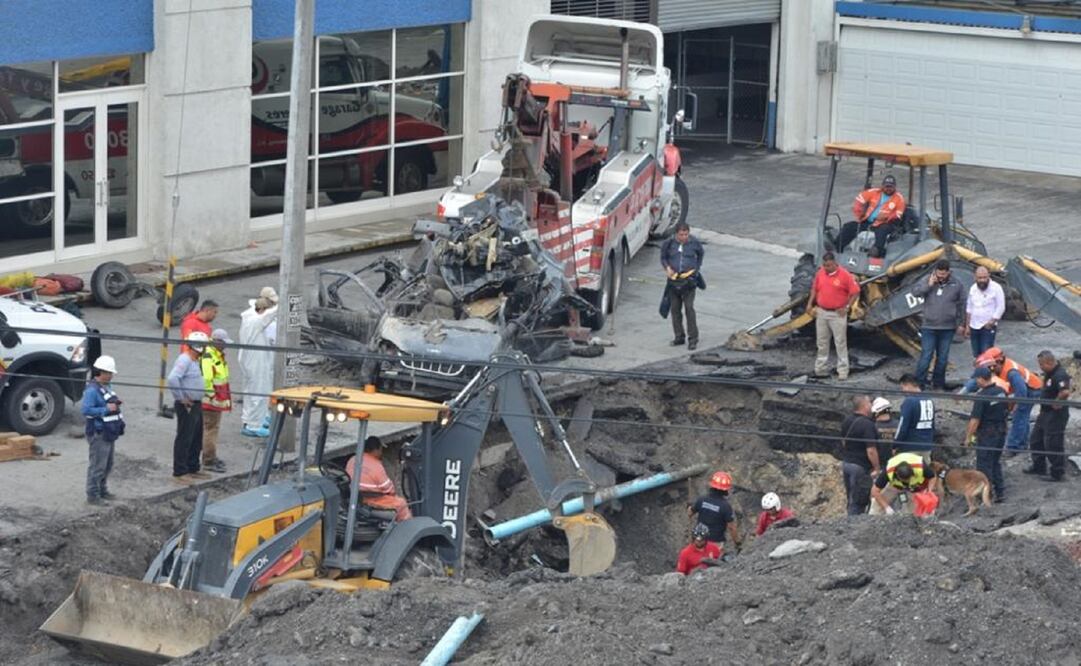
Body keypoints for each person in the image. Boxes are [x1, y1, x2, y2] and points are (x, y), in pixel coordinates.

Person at [963, 347, 1042, 457]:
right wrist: (964, 391)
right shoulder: (1000, 367)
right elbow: (979, 378)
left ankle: (1013, 447)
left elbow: (1022, 391)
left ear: (997, 362)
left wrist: (1015, 405)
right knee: (1022, 417)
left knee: (1020, 416)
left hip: (1031, 390)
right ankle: (1022, 443)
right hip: (1026, 388)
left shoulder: (1011, 372)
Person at [912, 260, 965, 390]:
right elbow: (915, 292)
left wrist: (961, 323)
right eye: (938, 273)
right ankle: (920, 383)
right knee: (926, 355)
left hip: (947, 328)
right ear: (935, 271)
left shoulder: (956, 284)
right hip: (929, 327)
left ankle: (938, 383)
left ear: (948, 272)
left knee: (943, 358)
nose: (941, 276)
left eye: (943, 274)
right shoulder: (927, 279)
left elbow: (962, 304)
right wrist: (929, 285)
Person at [807, 251, 860, 379]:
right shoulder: (820, 273)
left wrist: (847, 307)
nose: (826, 268)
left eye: (829, 265)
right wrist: (809, 304)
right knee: (822, 342)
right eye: (825, 265)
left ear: (835, 264)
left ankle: (842, 371)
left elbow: (855, 292)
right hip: (822, 312)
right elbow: (814, 289)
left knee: (840, 342)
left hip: (837, 314)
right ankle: (820, 369)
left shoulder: (845, 275)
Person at [81, 355, 125, 505]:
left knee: (108, 463)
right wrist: (106, 409)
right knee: (98, 465)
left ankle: (102, 489)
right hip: (98, 432)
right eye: (109, 373)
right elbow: (86, 410)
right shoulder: (92, 391)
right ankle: (93, 495)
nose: (111, 375)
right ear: (101, 372)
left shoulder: (106, 386)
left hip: (108, 432)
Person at [1023, 350, 1073, 482]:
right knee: (1036, 439)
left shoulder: (1060, 374)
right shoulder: (1050, 373)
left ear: (1049, 362)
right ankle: (1039, 466)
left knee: (1053, 442)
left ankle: (1057, 472)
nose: (1040, 367)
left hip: (1055, 414)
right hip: (1045, 412)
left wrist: (1056, 401)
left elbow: (1065, 391)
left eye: (1041, 364)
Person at [168, 332, 210, 484]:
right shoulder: (184, 360)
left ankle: (193, 467)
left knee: (196, 437)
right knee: (185, 437)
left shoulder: (194, 360)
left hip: (195, 404)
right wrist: (181, 398)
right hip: (188, 405)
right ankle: (180, 471)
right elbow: (173, 379)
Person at [964, 366, 1008, 502]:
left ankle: (986, 495)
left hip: (987, 435)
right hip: (1001, 432)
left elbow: (974, 420)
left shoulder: (982, 396)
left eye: (976, 379)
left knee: (984, 465)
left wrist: (968, 437)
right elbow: (1010, 407)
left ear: (981, 379)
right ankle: (1000, 492)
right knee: (995, 462)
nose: (976, 382)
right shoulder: (1001, 392)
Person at [660, 221, 704, 350]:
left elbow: (701, 254)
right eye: (681, 235)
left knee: (689, 308)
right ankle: (679, 336)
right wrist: (667, 268)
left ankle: (693, 338)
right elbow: (663, 257)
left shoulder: (694, 242)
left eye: (686, 234)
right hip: (674, 281)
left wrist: (696, 268)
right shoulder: (668, 243)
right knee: (675, 309)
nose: (684, 237)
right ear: (676, 234)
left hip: (689, 280)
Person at [346, 436, 413, 520]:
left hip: (355, 497)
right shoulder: (376, 466)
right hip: (371, 500)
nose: (381, 452)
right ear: (376, 450)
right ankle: (404, 527)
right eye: (381, 449)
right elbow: (389, 489)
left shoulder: (352, 460)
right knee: (401, 503)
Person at [838, 174, 906, 257]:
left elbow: (898, 214)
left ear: (895, 187)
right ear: (882, 186)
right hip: (868, 222)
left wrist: (887, 217)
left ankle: (877, 252)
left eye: (891, 187)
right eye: (886, 186)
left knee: (882, 232)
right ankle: (838, 246)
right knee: (849, 226)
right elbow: (860, 199)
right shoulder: (874, 192)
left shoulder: (899, 198)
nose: (888, 189)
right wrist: (860, 213)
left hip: (885, 224)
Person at [239, 295, 278, 437]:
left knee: (252, 392)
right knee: (258, 393)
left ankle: (253, 419)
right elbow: (270, 315)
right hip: (255, 361)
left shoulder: (249, 317)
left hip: (249, 359)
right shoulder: (256, 321)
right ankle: (253, 425)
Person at [839, 395, 882, 515]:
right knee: (859, 501)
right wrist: (877, 468)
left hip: (847, 464)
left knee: (851, 498)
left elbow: (843, 441)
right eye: (869, 403)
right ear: (864, 406)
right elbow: (871, 450)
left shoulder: (847, 420)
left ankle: (850, 522)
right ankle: (854, 527)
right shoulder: (867, 425)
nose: (871, 405)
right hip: (860, 467)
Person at [200, 328, 233, 474]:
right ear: (217, 342)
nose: (226, 346)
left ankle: (210, 457)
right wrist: (212, 396)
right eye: (224, 343)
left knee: (212, 429)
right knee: (211, 430)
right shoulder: (209, 356)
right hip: (211, 401)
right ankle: (208, 460)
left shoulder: (216, 354)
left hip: (215, 400)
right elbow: (206, 380)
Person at [688, 470, 742, 550]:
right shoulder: (725, 506)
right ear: (725, 490)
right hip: (715, 543)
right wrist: (737, 543)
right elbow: (731, 527)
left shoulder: (702, 500)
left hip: (699, 540)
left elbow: (689, 513)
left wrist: (689, 507)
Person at [964, 267, 1005, 358]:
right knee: (976, 354)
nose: (982, 280)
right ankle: (979, 371)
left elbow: (1001, 306)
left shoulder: (996, 288)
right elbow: (969, 308)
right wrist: (967, 326)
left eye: (984, 277)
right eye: (980, 278)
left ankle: (987, 371)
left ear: (988, 276)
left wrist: (992, 322)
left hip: (987, 327)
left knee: (986, 354)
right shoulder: (973, 288)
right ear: (975, 277)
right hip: (974, 326)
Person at [894, 374, 935, 455]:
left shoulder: (909, 401)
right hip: (927, 447)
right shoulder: (929, 400)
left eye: (903, 387)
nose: (903, 391)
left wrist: (895, 444)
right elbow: (932, 425)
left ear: (908, 384)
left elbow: (903, 426)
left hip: (910, 448)